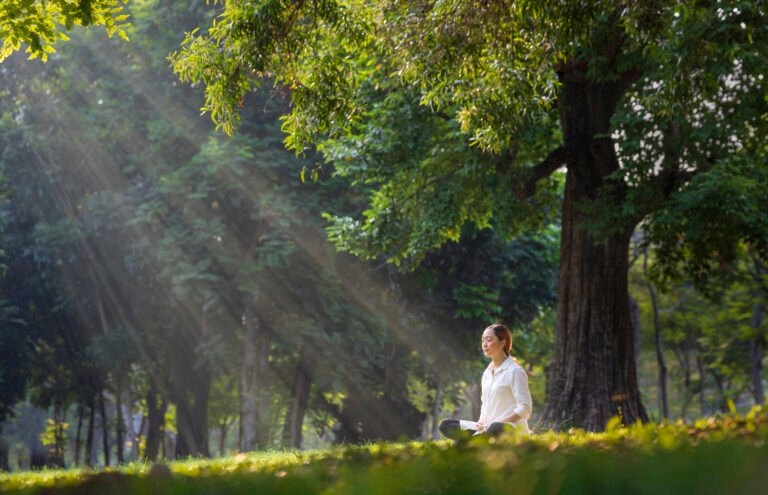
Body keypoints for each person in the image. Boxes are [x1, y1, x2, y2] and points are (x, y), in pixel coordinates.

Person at [439, 323, 532, 439]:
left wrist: (499, 422)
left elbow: (525, 408)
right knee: (446, 425)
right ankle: (477, 439)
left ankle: (470, 441)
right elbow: (485, 404)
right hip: (487, 428)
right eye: (483, 340)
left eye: (489, 340)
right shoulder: (487, 373)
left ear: (502, 343)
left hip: (507, 428)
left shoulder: (515, 371)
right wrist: (481, 422)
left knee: (495, 427)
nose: (484, 344)